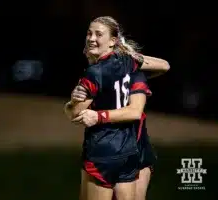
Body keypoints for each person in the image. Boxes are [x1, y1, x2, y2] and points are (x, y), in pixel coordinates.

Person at [64, 16, 153, 200]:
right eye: (89, 33)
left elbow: (74, 114)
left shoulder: (94, 73)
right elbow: (164, 65)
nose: (91, 38)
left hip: (102, 151)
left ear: (113, 41)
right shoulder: (131, 63)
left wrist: (71, 103)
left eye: (98, 34)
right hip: (129, 151)